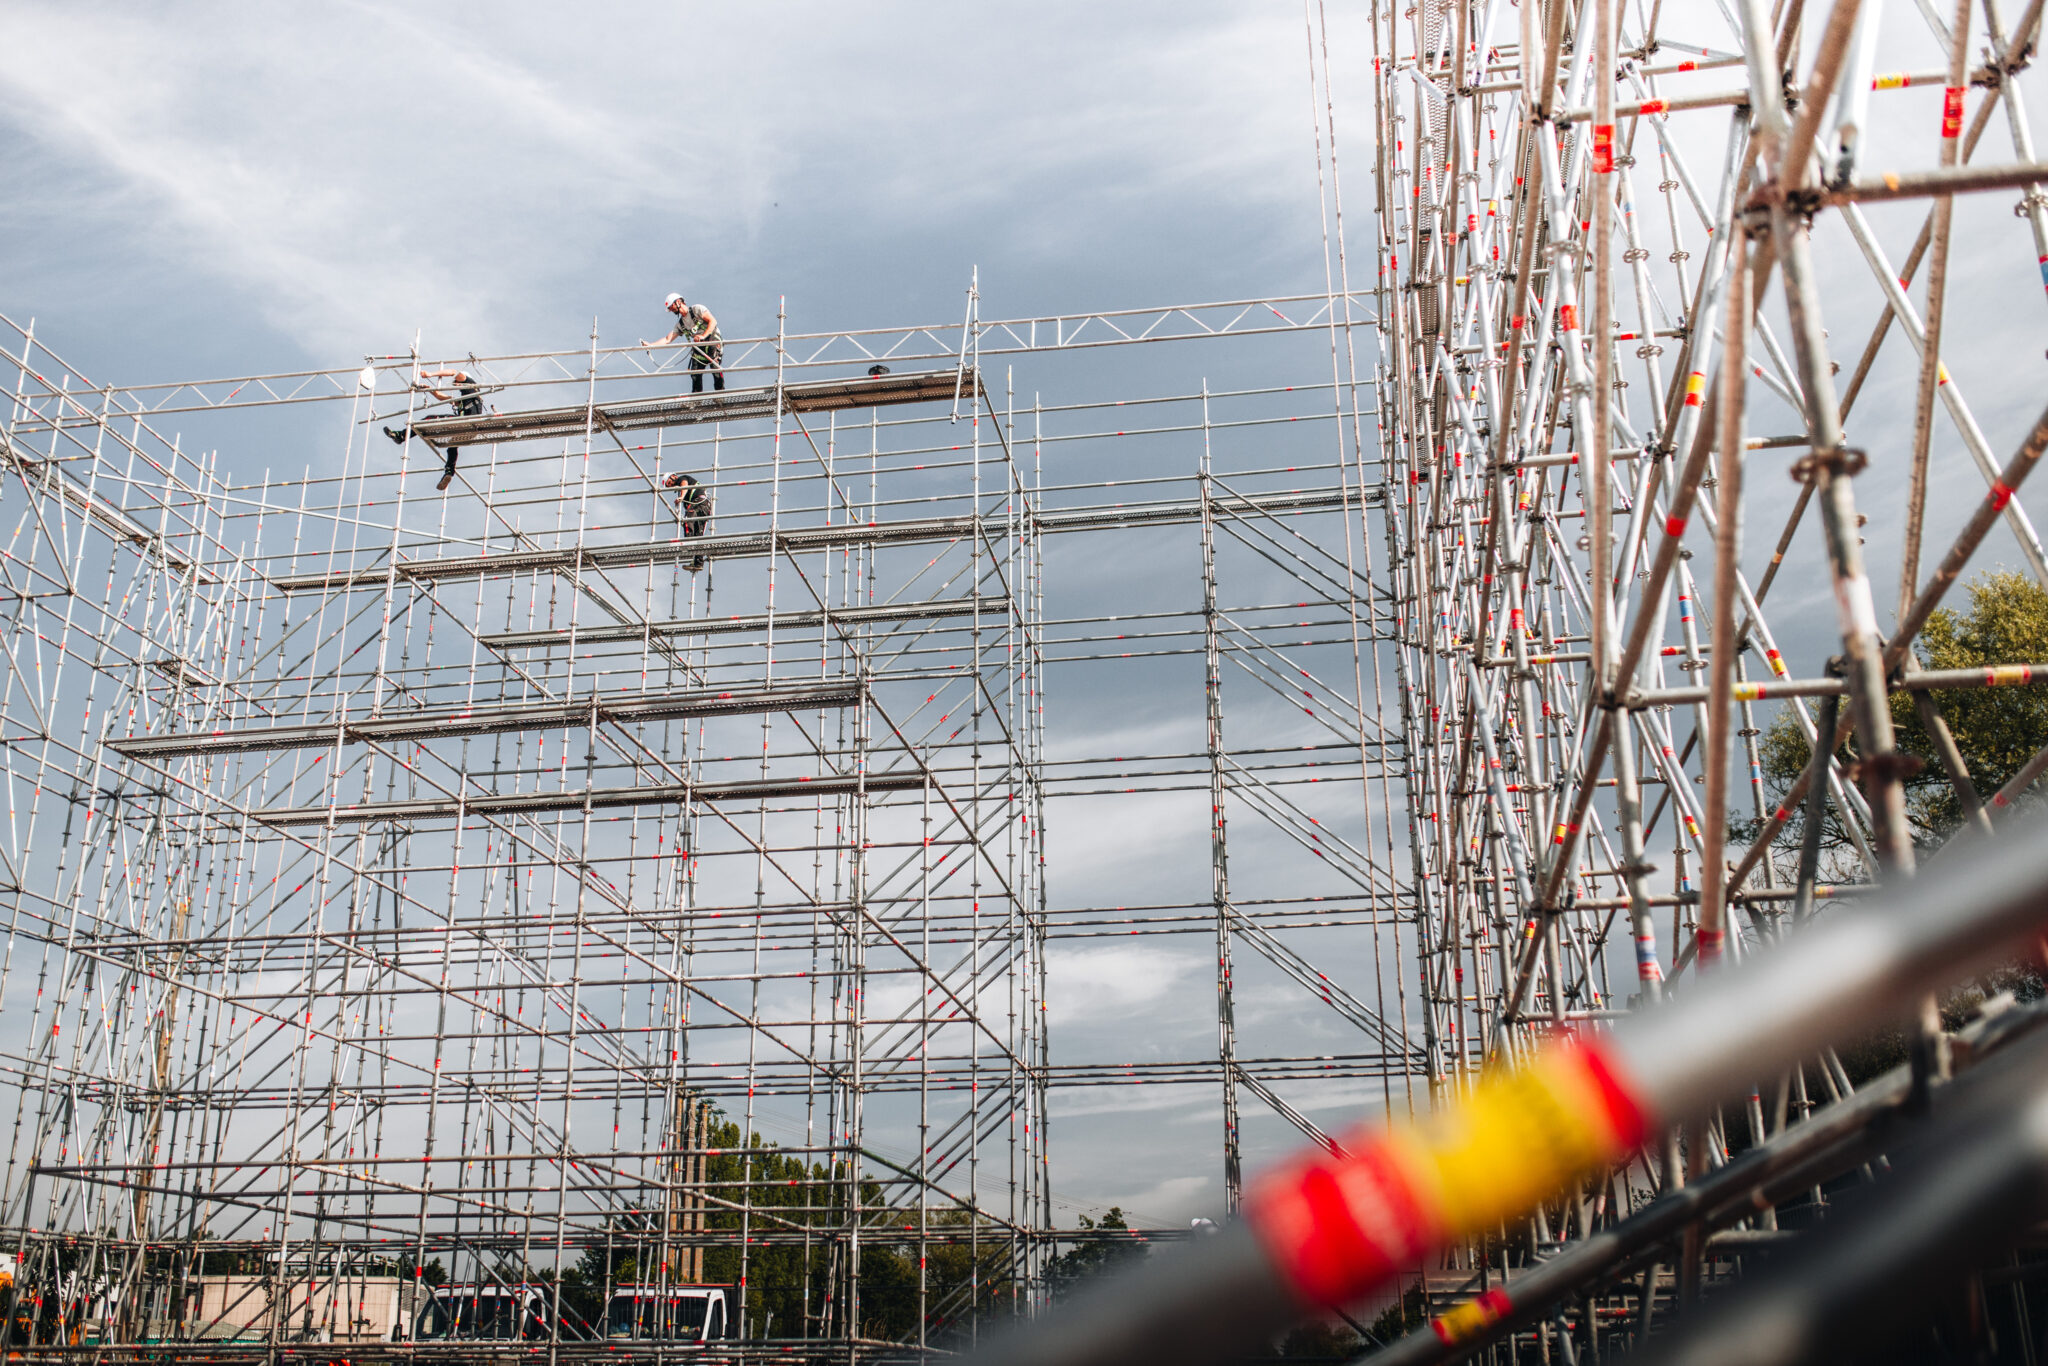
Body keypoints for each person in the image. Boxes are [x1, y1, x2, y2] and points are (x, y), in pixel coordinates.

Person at [383, 368, 484, 491]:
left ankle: (401, 436)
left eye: (457, 383)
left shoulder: (469, 384)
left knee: (429, 419)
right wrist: (428, 389)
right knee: (452, 446)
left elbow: (453, 371)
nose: (456, 385)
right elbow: (442, 397)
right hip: (468, 428)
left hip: (467, 422)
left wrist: (430, 374)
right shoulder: (469, 398)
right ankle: (449, 472)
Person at [641, 293, 725, 393]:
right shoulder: (681, 324)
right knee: (695, 373)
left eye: (671, 307)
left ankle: (720, 395)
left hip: (712, 340)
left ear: (678, 302)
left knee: (715, 367)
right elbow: (667, 339)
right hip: (699, 347)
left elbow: (713, 321)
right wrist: (651, 345)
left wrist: (703, 336)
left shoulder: (697, 309)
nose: (671, 310)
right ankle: (696, 400)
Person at [664, 472, 713, 571]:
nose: (670, 486)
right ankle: (698, 563)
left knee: (687, 521)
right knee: (698, 535)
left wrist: (681, 497)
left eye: (669, 483)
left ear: (673, 477)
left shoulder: (682, 479)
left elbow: (684, 485)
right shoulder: (683, 491)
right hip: (704, 507)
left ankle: (688, 543)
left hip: (698, 504)